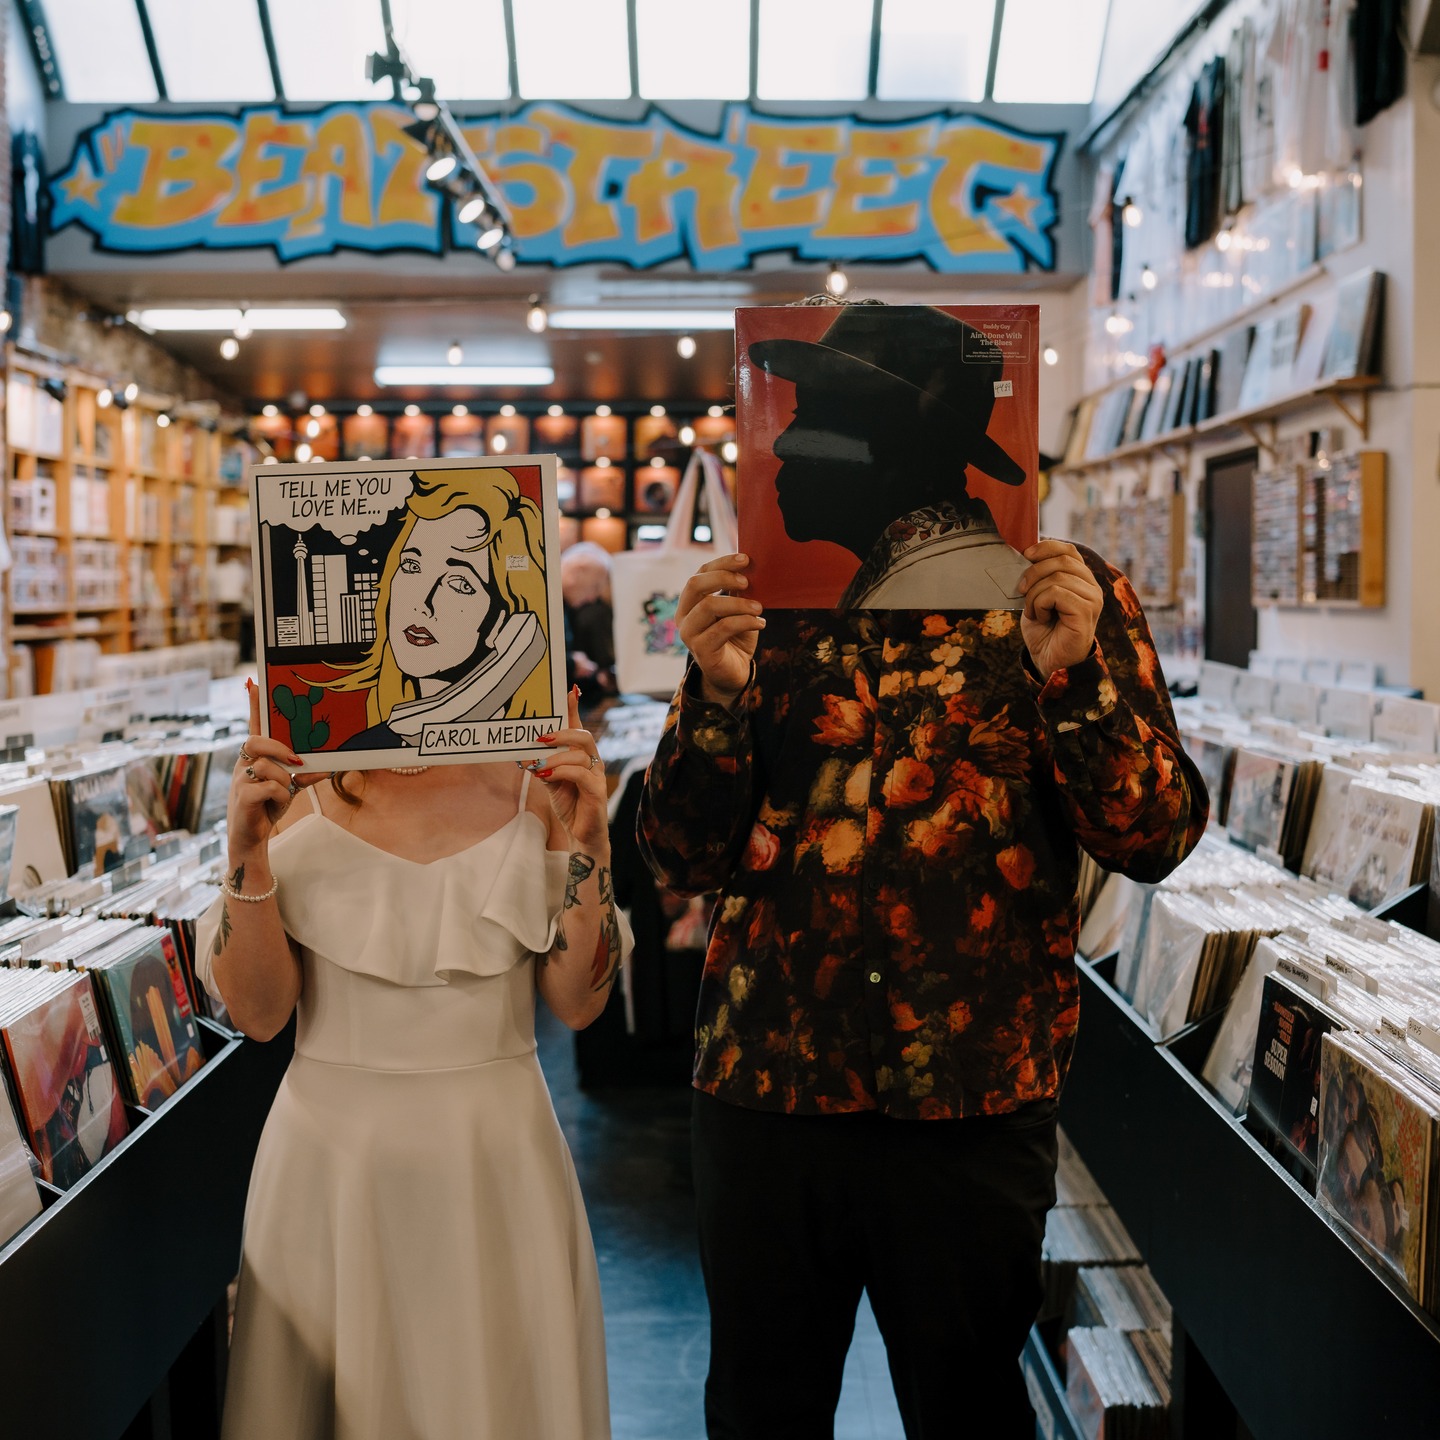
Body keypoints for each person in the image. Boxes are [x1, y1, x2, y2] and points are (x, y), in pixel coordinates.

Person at [639, 530, 1207, 1437]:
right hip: (773, 1088)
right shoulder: (766, 587)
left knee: (970, 1412)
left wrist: (1073, 678)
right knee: (760, 1411)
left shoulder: (1064, 590)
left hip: (971, 1095)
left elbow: (1155, 838)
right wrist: (714, 695)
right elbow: (679, 858)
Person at [199, 679, 625, 1439]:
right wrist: (246, 851)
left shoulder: (530, 784)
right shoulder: (297, 786)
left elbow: (580, 1003)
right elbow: (259, 1016)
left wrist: (590, 843)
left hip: (495, 1161)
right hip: (331, 1167)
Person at [747, 304, 1034, 610]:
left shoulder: (935, 595)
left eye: (813, 418)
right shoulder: (926, 576)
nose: (781, 444)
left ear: (901, 443)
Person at [328, 467, 551, 750]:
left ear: (503, 624)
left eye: (459, 583)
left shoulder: (536, 762)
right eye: (411, 565)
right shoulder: (362, 751)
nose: (421, 604)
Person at [560, 541, 617, 706]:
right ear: (577, 571)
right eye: (595, 587)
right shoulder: (544, 603)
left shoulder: (566, 607)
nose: (593, 598)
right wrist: (572, 663)